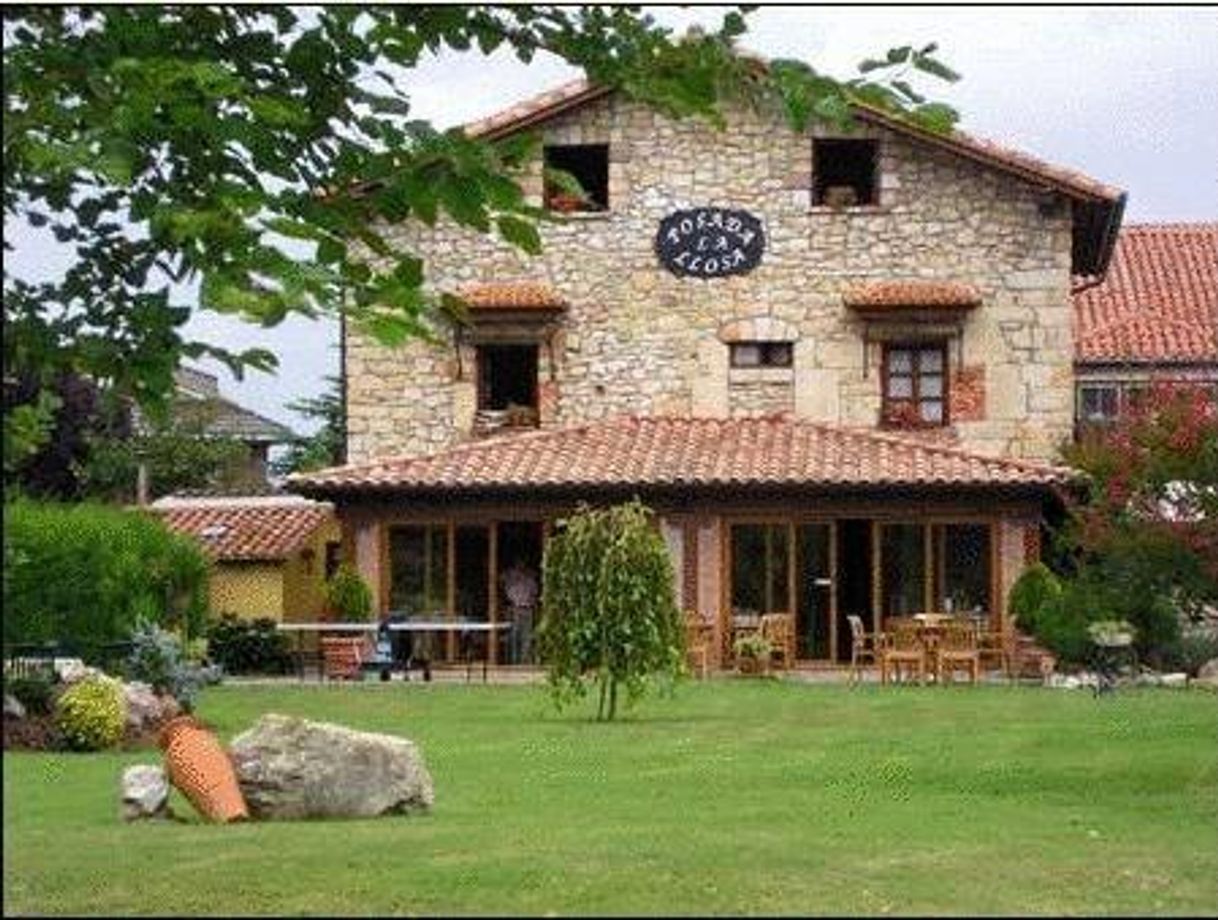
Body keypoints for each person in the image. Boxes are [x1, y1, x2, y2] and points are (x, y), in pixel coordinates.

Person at [500, 559, 538, 664]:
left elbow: (535, 593)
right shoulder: (511, 577)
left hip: (527, 609)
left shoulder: (529, 578)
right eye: (518, 564)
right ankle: (514, 661)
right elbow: (500, 579)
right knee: (514, 635)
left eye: (522, 563)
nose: (520, 566)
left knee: (527, 635)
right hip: (514, 609)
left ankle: (524, 661)